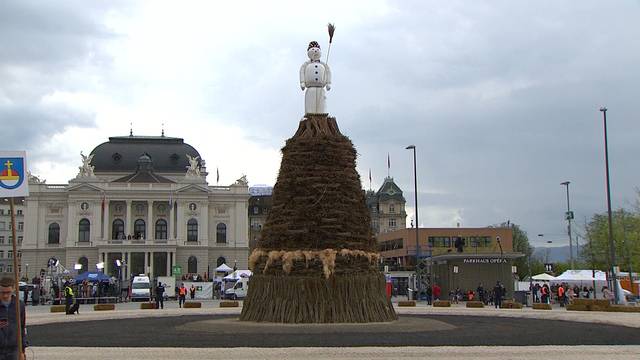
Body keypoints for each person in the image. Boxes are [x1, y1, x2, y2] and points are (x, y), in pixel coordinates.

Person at [0, 277, 27, 360]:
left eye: (8, 292)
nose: (5, 295)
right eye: (2, 292)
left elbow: (22, 327)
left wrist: (22, 351)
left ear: (14, 289)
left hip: (14, 350)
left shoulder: (19, 305)